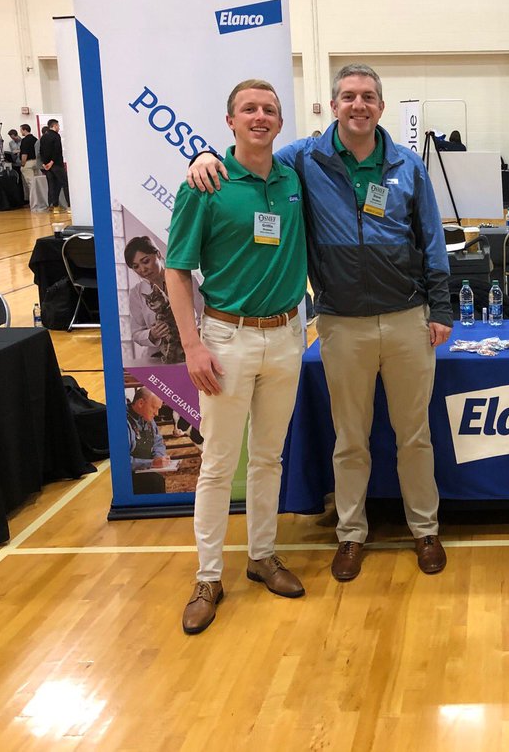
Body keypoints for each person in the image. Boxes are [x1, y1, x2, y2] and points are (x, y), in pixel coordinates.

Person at [188, 63, 453, 583]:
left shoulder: (407, 165)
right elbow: (250, 156)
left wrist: (441, 308)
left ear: (381, 107)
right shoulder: (303, 159)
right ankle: (351, 533)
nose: (359, 105)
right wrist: (202, 156)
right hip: (341, 324)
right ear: (333, 106)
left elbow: (432, 236)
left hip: (407, 318)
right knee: (350, 439)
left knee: (414, 436)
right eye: (349, 96)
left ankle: (425, 528)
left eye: (368, 97)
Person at [166, 79, 309, 635]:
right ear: (230, 121)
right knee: (219, 464)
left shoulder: (293, 178)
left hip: (286, 336)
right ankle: (207, 577)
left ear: (280, 122)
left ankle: (262, 555)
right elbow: (177, 269)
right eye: (249, 109)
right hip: (226, 339)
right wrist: (192, 345)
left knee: (268, 458)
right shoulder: (205, 184)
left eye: (269, 109)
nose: (260, 116)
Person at [123, 235, 200, 365]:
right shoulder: (136, 293)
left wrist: (194, 332)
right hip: (157, 358)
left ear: (158, 254)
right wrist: (152, 334)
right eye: (136, 266)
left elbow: (205, 317)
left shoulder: (188, 280)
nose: (142, 269)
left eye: (145, 261)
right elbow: (136, 333)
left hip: (191, 354)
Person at [127, 386, 171, 471]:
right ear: (141, 403)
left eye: (158, 409)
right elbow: (121, 461)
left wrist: (158, 457)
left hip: (147, 469)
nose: (157, 413)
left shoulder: (148, 418)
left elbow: (158, 442)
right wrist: (151, 463)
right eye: (154, 407)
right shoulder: (123, 423)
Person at [40, 119, 70, 213]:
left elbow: (41, 151)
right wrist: (52, 162)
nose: (59, 127)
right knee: (65, 184)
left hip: (47, 166)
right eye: (58, 126)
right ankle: (69, 206)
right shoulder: (56, 136)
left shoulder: (43, 137)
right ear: (55, 125)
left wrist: (45, 163)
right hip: (56, 164)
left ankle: (55, 207)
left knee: (52, 185)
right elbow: (57, 150)